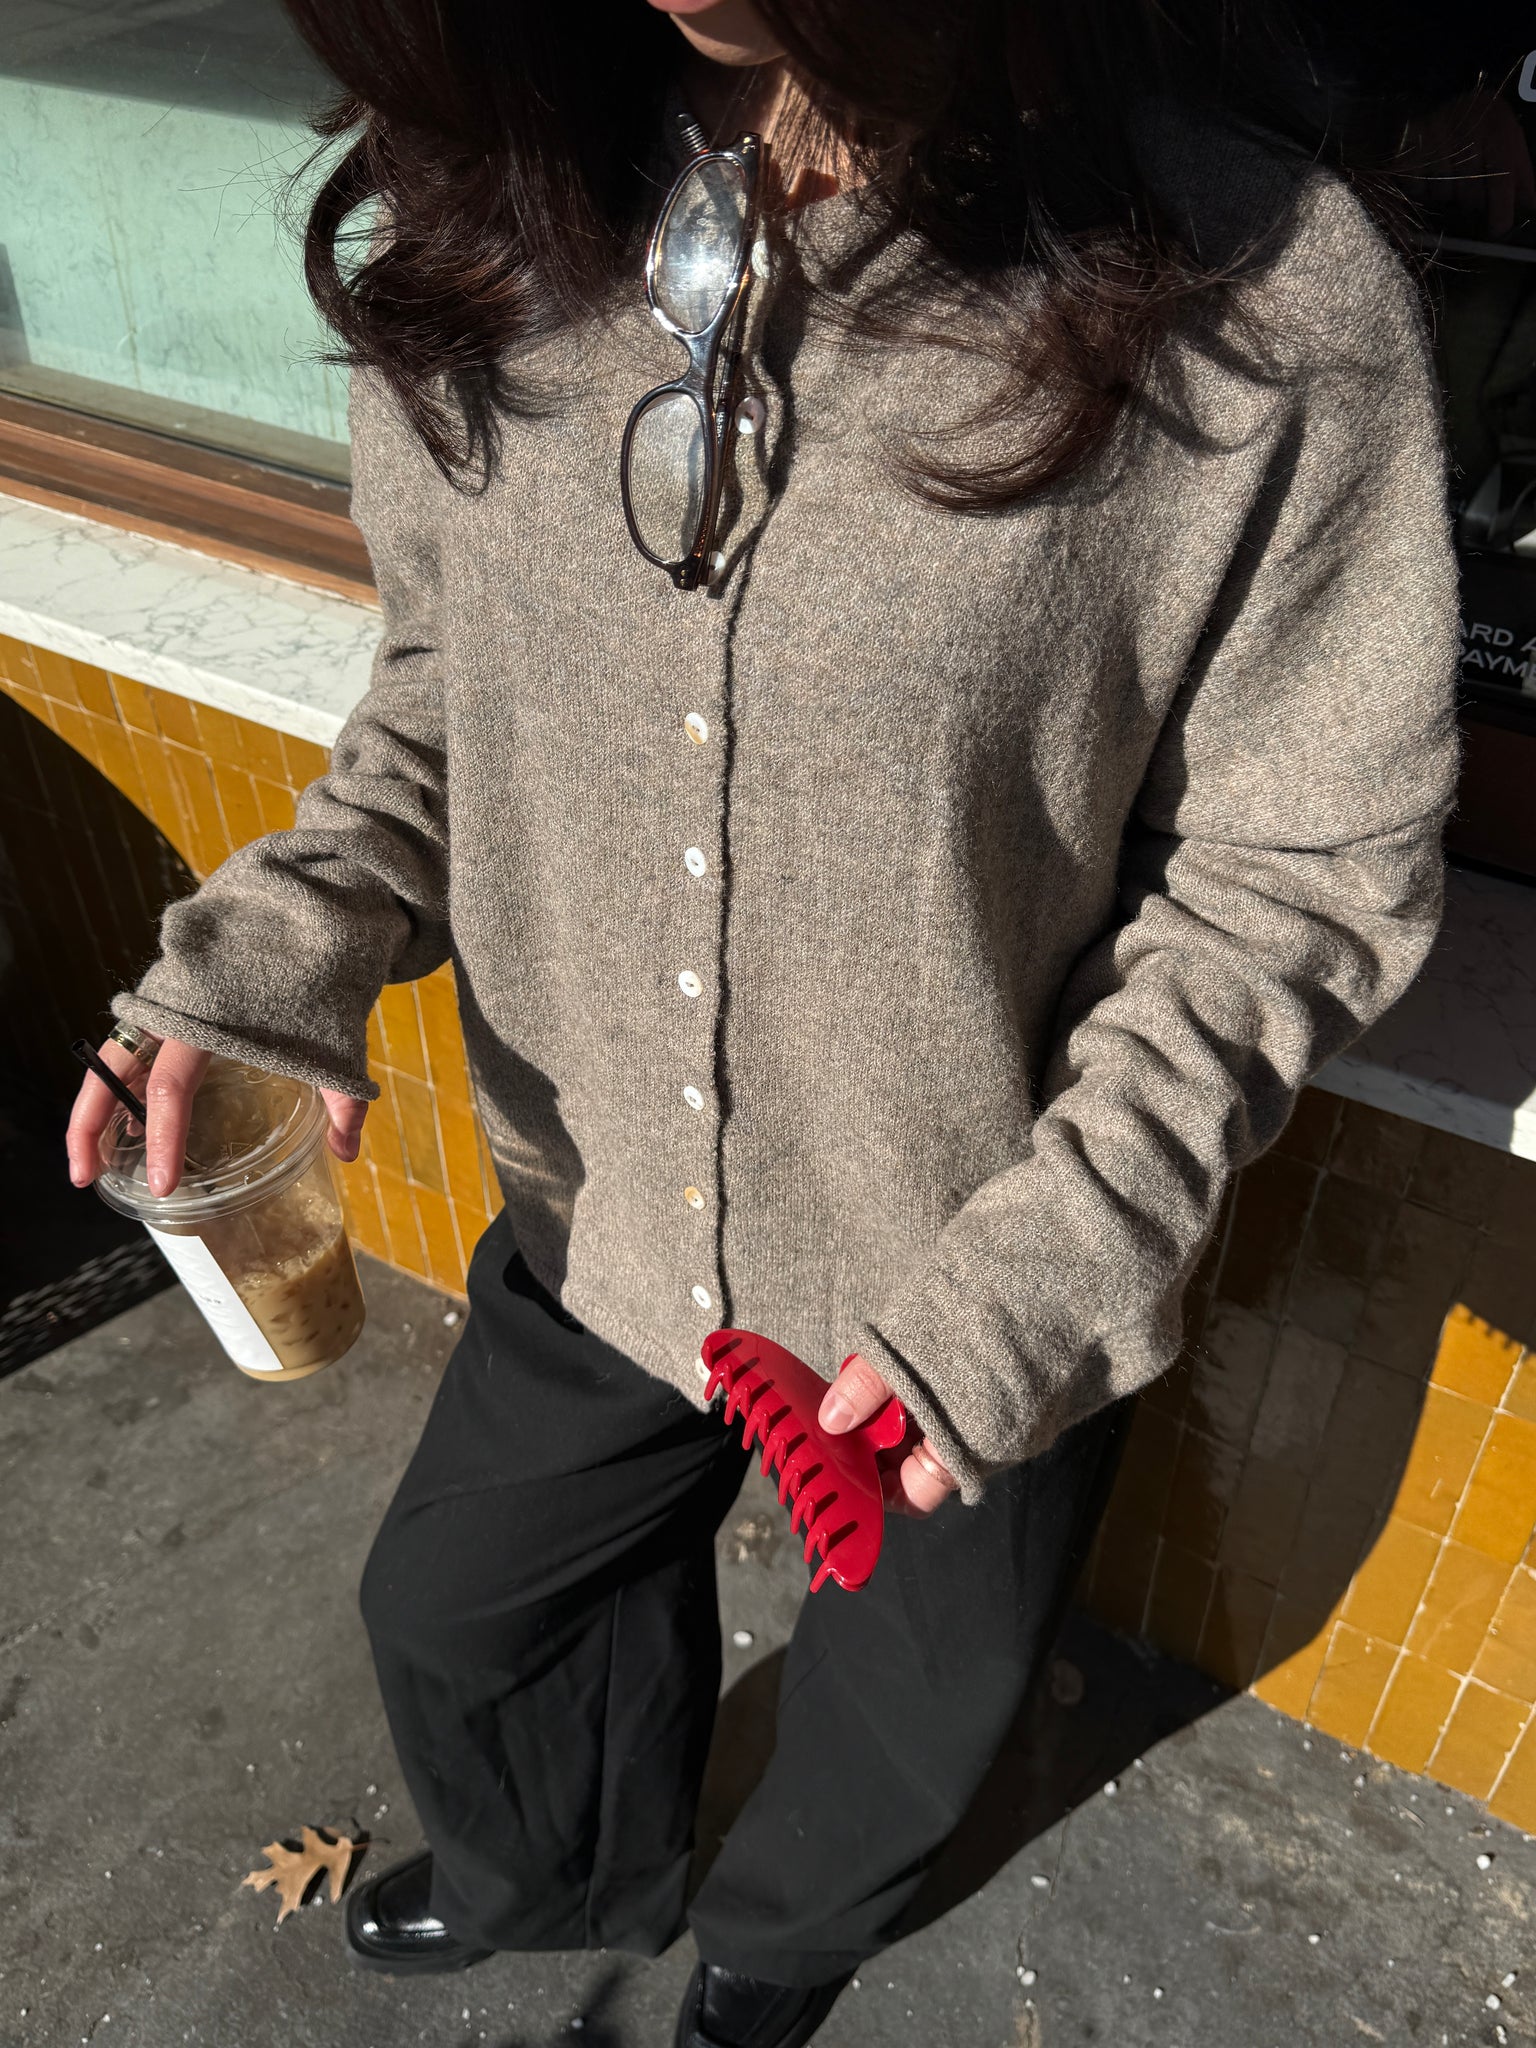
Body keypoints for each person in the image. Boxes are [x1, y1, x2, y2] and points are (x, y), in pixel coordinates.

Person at [67, 2, 1461, 2042]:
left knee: (909, 1710)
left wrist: (1049, 1272)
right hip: (601, 1203)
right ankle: (558, 1866)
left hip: (969, 1265)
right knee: (459, 1609)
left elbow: (1296, 869)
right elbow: (451, 694)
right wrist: (277, 955)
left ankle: (779, 1948)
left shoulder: (1246, 279)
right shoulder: (493, 191)